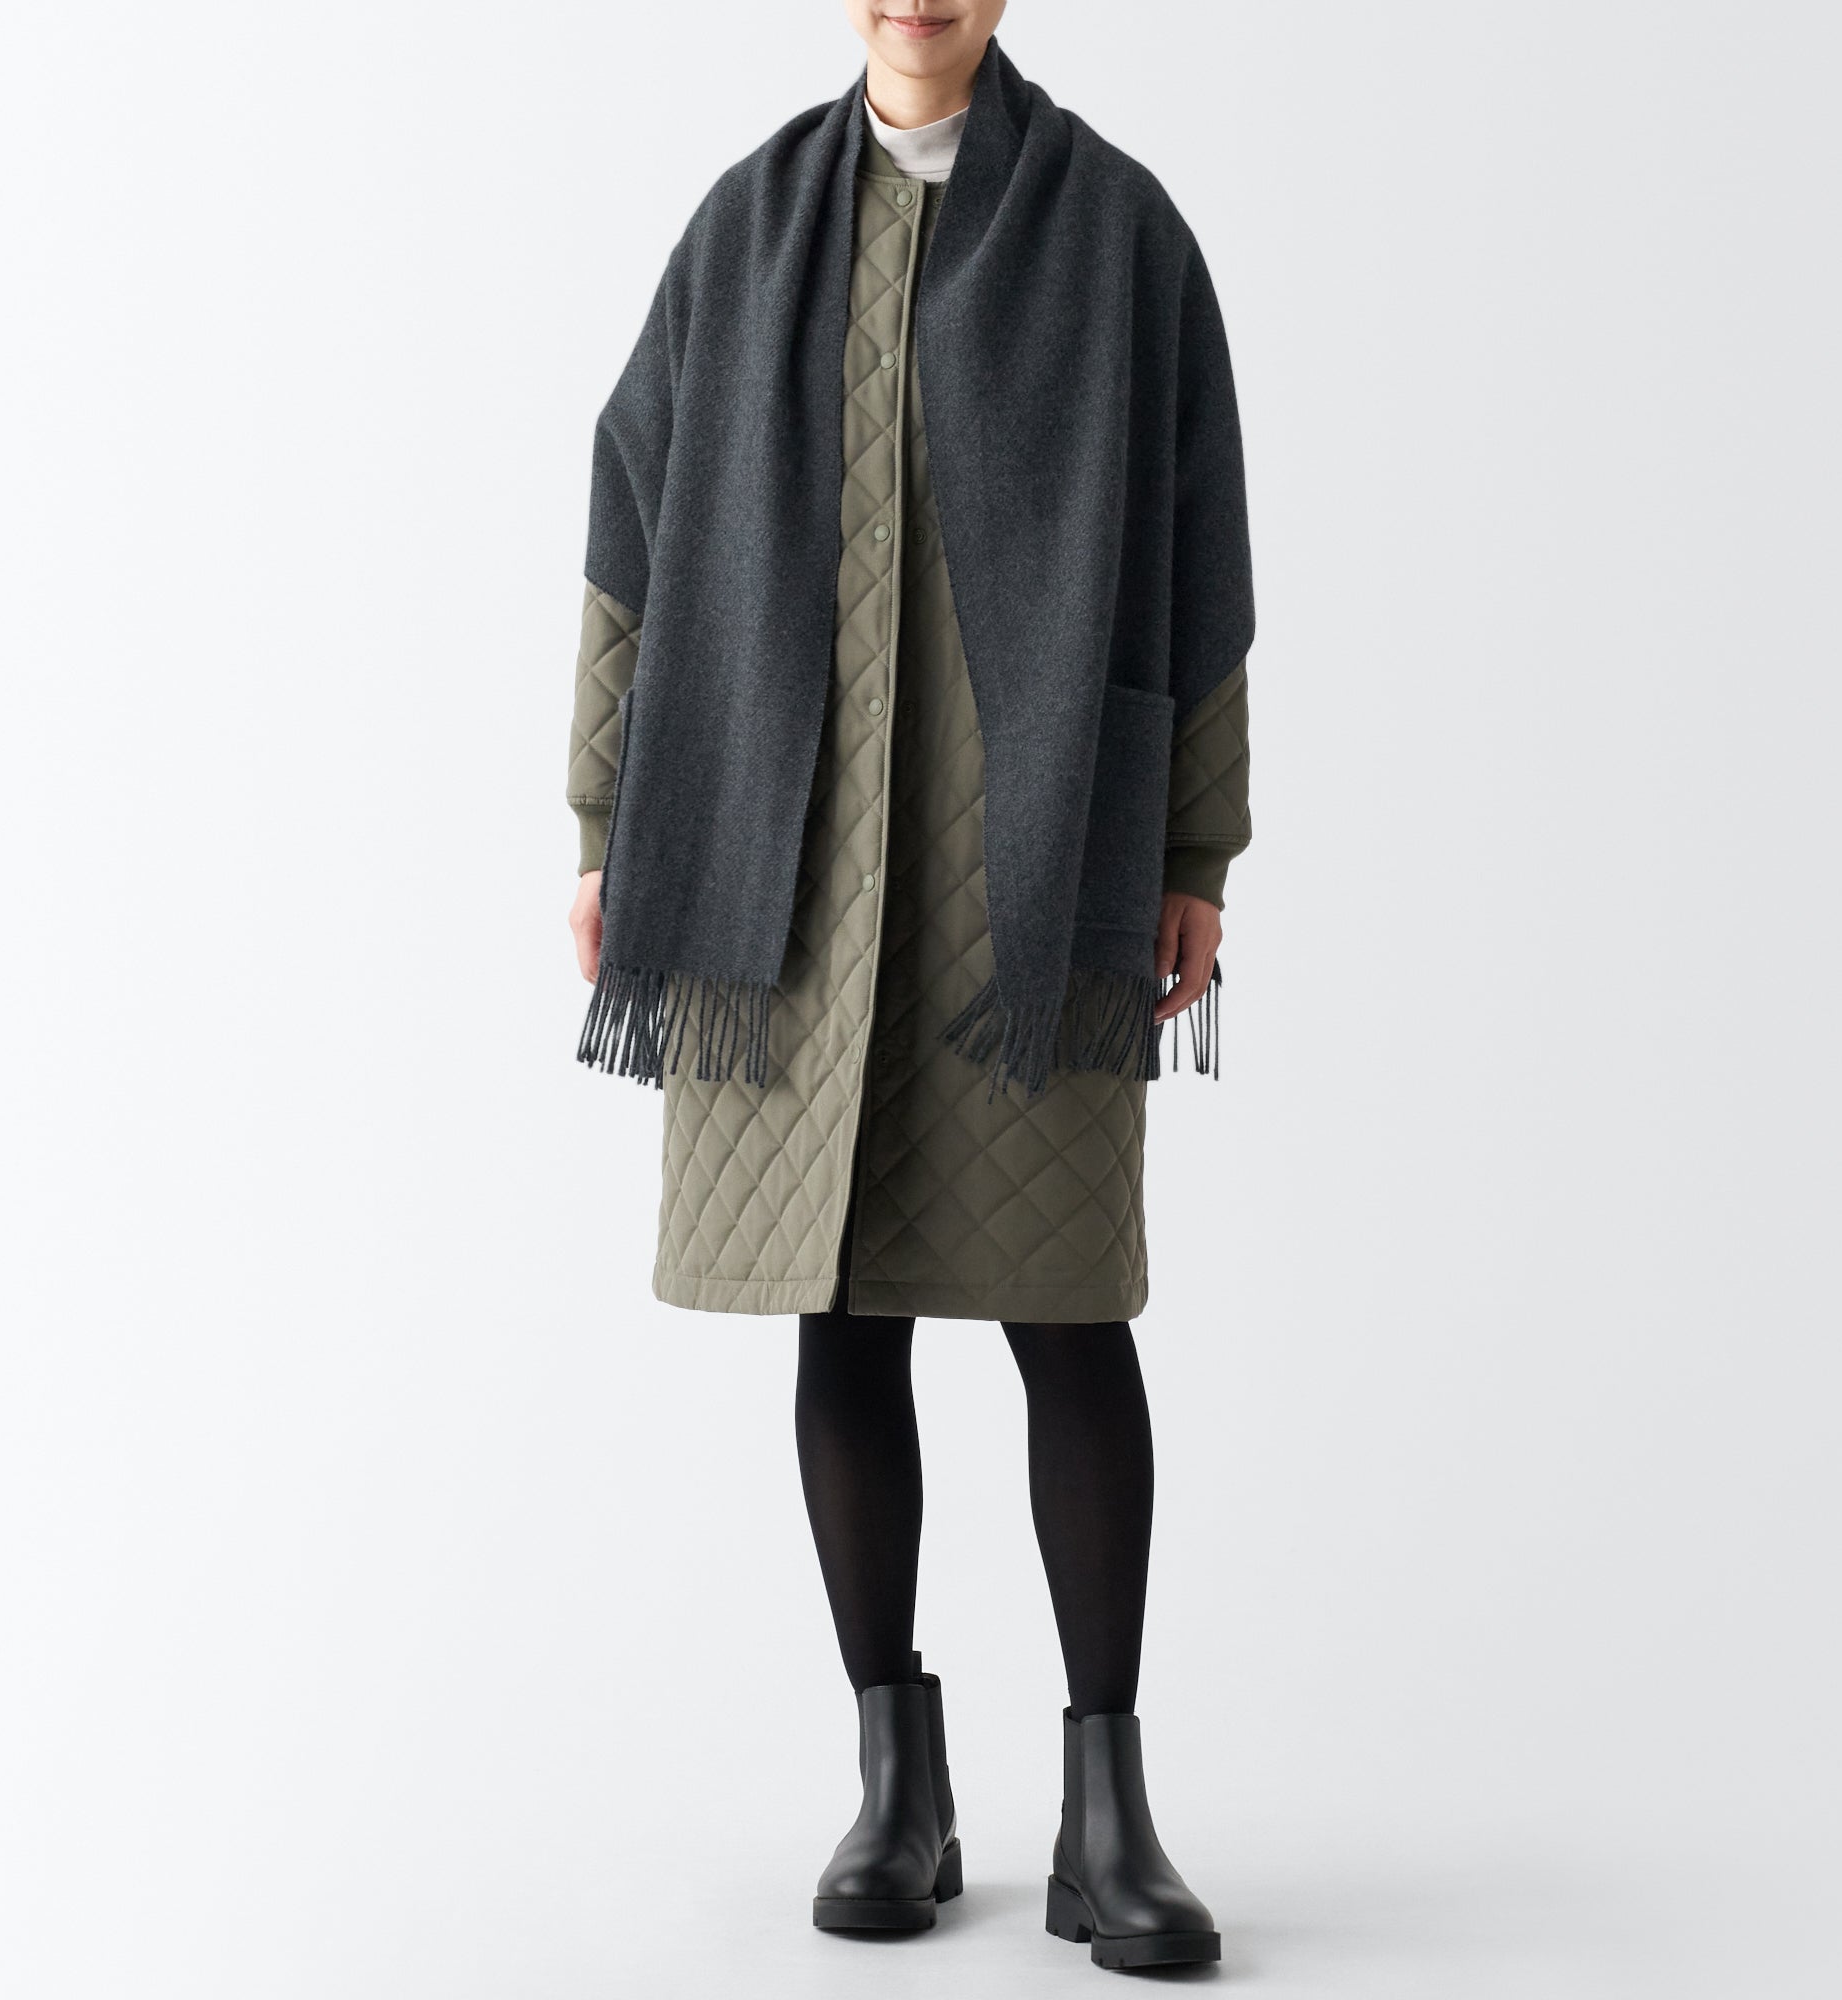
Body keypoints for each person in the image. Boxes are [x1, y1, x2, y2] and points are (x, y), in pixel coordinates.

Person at [565, 2, 1252, 1972]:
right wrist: (606, 822)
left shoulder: (1118, 231)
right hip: (787, 857)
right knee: (842, 1314)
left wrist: (1194, 851)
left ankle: (1108, 1818)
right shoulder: (746, 228)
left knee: (1067, 1314)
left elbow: (1203, 549)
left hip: (1030, 871)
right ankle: (899, 1786)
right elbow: (630, 514)